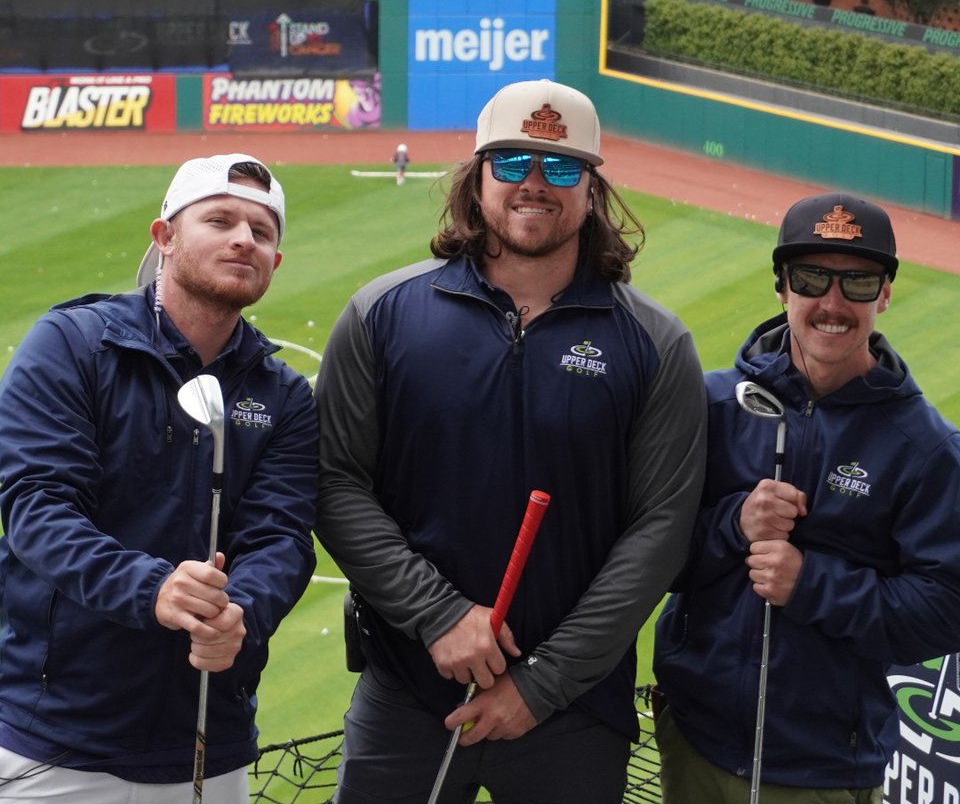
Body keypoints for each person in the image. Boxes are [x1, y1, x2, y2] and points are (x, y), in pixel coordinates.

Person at [315, 78, 707, 804]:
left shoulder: (655, 342)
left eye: (561, 168)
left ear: (592, 190)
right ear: (476, 178)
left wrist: (541, 683)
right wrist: (436, 614)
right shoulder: (381, 314)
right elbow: (336, 483)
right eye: (512, 164)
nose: (535, 185)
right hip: (407, 694)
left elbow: (661, 531)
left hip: (572, 713)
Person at [0, 153, 318, 802]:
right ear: (164, 237)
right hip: (57, 738)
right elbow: (38, 507)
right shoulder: (71, 344)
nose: (243, 239)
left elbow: (282, 537)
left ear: (275, 263)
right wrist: (154, 589)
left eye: (262, 232)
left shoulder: (282, 394)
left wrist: (239, 614)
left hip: (209, 737)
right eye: (220, 220)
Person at [653, 192, 960, 803]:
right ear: (782, 286)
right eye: (811, 278)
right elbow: (651, 557)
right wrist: (732, 524)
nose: (833, 303)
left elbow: (945, 611)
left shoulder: (926, 448)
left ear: (887, 292)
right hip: (694, 741)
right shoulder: (711, 404)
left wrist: (810, 583)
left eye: (859, 282)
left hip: (823, 768)